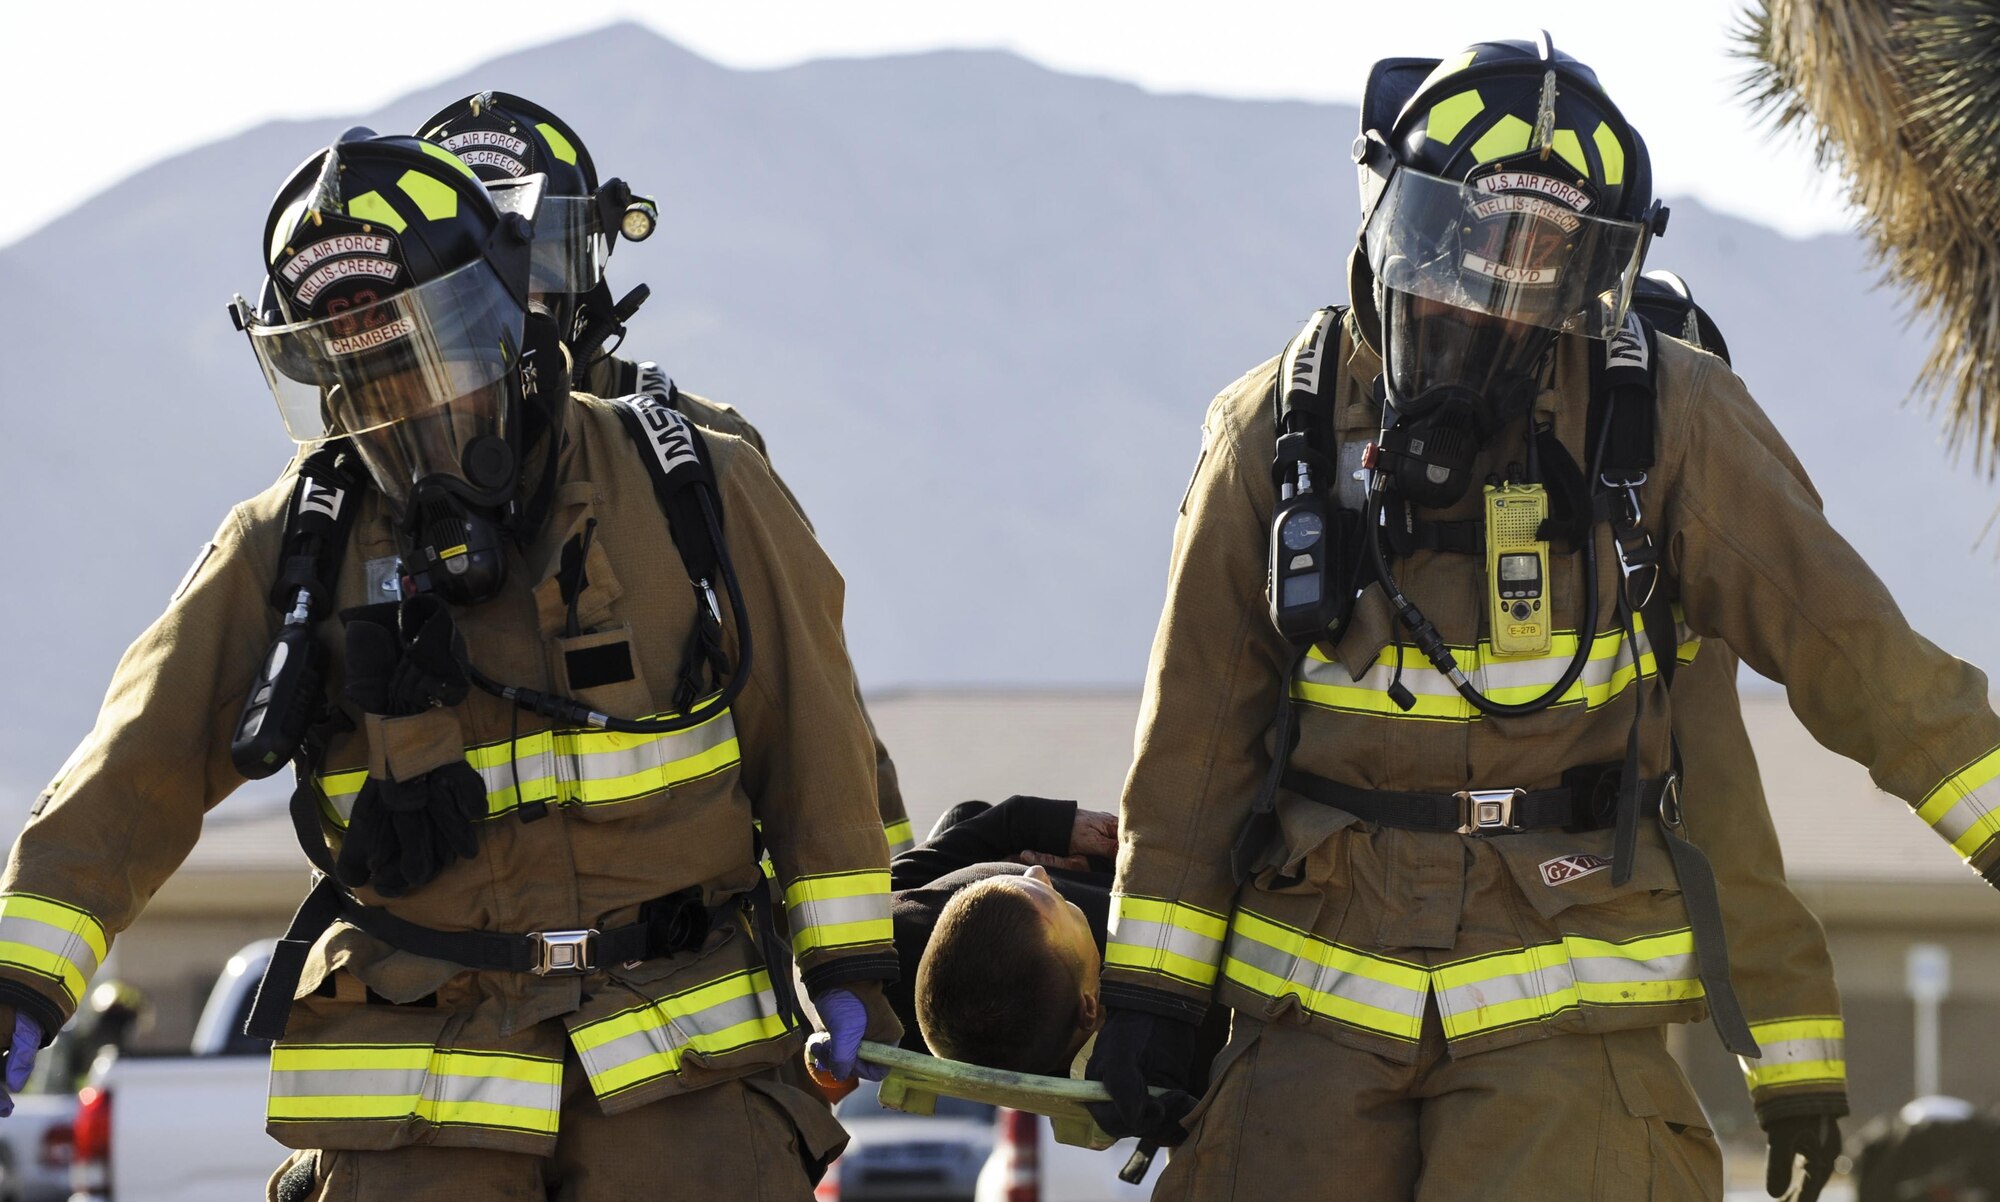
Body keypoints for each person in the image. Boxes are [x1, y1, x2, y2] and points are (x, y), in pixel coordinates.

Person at [1087, 35, 2000, 1202]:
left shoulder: (1667, 421)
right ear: (1398, 221)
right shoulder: (1273, 433)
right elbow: (1194, 747)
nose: (1501, 294)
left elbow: (1862, 665)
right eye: (1476, 244)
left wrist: (1796, 1046)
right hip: (1307, 1013)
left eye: (1546, 261)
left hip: (1562, 1024)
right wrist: (1153, 1000)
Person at [0, 128, 900, 1200]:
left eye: (434, 358)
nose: (411, 409)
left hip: (685, 1083)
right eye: (367, 380)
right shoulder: (290, 547)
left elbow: (817, 740)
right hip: (420, 1101)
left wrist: (852, 963)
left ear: (510, 322)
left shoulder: (694, 487)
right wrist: (20, 979)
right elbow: (131, 773)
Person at [414, 91, 914, 854]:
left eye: (535, 259)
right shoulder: (367, 482)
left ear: (587, 264)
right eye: (472, 273)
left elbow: (820, 715)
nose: (511, 299)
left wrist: (897, 899)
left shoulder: (702, 456)